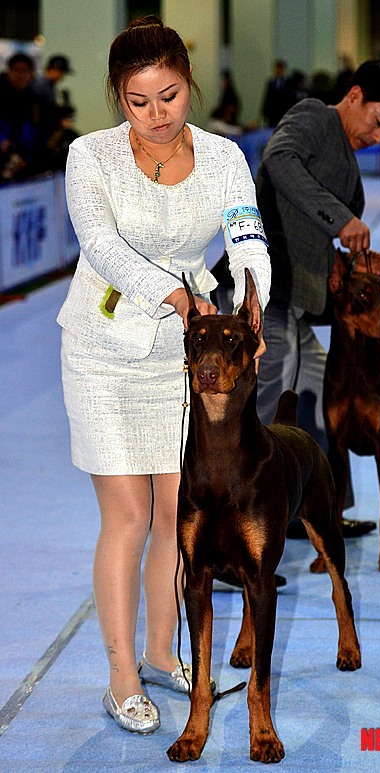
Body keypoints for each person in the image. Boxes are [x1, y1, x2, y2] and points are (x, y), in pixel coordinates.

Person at [56, 15, 270, 735]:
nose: (154, 115)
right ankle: (121, 678)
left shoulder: (224, 158)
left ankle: (159, 651)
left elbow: (247, 239)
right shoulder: (90, 156)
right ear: (118, 96)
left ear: (191, 85)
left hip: (187, 361)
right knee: (129, 514)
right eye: (138, 101)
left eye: (169, 97)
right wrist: (176, 295)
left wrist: (252, 310)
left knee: (178, 517)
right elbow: (102, 247)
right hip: (102, 350)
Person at [212, 60, 380, 539]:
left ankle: (316, 507)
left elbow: (320, 241)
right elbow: (278, 161)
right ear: (355, 96)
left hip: (293, 298)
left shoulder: (344, 156)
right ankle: (236, 527)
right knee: (264, 398)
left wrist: (352, 262)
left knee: (325, 389)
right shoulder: (313, 117)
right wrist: (340, 219)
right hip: (261, 293)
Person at [0, 53, 44, 181]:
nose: (20, 76)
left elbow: (35, 132)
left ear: (31, 74)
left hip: (26, 160)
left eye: (25, 71)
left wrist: (27, 157)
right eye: (16, 70)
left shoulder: (35, 101)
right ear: (9, 72)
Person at [261, 59, 289, 127]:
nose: (278, 70)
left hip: (283, 112)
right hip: (272, 113)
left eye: (280, 68)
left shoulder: (288, 83)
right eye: (277, 68)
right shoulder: (271, 82)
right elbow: (267, 98)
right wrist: (264, 112)